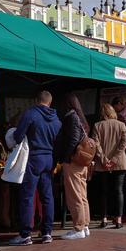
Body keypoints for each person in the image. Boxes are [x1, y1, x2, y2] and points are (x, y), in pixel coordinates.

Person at [9, 91, 61, 246]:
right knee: (47, 197)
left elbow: (18, 136)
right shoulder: (57, 120)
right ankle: (47, 233)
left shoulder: (31, 114)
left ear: (37, 100)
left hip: (33, 158)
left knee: (27, 196)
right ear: (50, 102)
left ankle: (25, 235)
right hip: (49, 159)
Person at [54, 93, 91, 240]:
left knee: (74, 196)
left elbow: (73, 139)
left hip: (73, 162)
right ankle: (85, 225)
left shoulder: (71, 117)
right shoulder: (81, 118)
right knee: (82, 195)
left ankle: (78, 228)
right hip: (82, 162)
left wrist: (66, 158)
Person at [92, 103, 126, 229]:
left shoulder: (97, 126)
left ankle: (104, 219)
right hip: (119, 163)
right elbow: (124, 143)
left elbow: (96, 145)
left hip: (103, 164)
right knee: (118, 191)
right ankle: (118, 219)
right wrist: (114, 159)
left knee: (104, 192)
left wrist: (104, 160)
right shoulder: (121, 125)